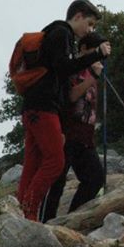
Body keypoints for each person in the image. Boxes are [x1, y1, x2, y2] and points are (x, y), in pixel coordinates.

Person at [16, 0, 111, 222]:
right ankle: (30, 209)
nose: (89, 30)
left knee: (33, 161)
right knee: (55, 161)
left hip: (35, 105)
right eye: (89, 24)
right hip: (44, 106)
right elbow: (63, 68)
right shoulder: (62, 32)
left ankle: (22, 209)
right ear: (78, 16)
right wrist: (96, 54)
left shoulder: (53, 33)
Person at [41, 32, 107, 220]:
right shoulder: (73, 68)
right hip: (66, 133)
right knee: (57, 183)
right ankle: (45, 222)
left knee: (95, 178)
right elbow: (71, 96)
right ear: (84, 48)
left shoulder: (91, 71)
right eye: (97, 51)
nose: (99, 57)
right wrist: (92, 76)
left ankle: (71, 219)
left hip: (85, 137)